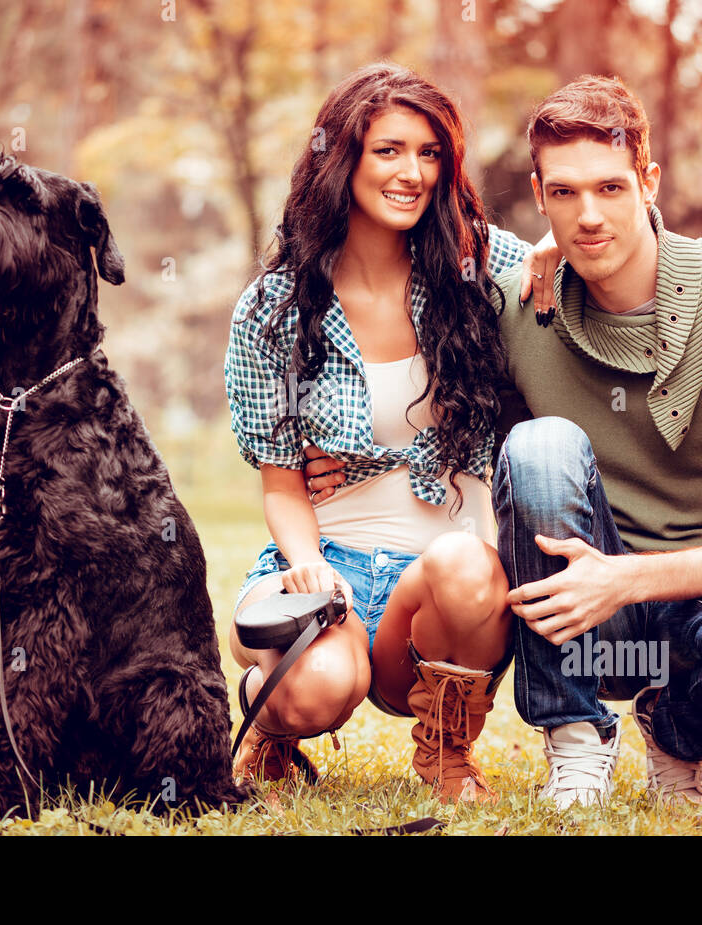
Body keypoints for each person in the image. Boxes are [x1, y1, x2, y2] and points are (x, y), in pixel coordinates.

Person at [305, 75, 702, 812]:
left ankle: (673, 733)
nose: (589, 217)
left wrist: (626, 579)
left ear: (649, 181)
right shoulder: (520, 299)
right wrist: (341, 455)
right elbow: (396, 283)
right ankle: (576, 737)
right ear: (539, 193)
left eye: (611, 189)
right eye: (565, 194)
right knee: (540, 445)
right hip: (577, 610)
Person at [223, 62, 546, 803]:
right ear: (342, 159)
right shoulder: (273, 309)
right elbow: (281, 486)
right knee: (317, 687)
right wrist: (309, 566)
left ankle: (448, 750)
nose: (413, 172)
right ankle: (270, 724)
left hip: (441, 583)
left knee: (466, 564)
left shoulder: (476, 264)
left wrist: (555, 250)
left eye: (430, 153)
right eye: (389, 150)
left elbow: (593, 265)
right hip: (329, 558)